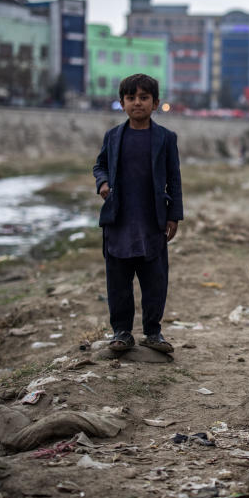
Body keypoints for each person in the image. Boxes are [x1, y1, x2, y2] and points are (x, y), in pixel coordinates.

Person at [93, 74, 183, 354]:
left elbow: (174, 178)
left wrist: (174, 216)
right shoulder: (113, 136)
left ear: (155, 103)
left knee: (155, 279)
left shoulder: (165, 138)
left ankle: (153, 333)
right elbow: (99, 166)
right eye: (131, 98)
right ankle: (121, 332)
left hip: (151, 220)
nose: (137, 103)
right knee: (118, 280)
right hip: (119, 220)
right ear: (122, 103)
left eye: (144, 98)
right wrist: (103, 184)